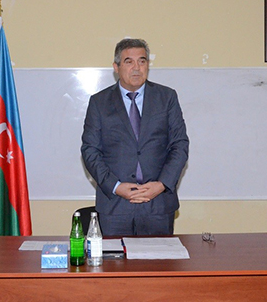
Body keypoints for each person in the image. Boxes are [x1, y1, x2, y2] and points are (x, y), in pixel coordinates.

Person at [81, 38, 189, 236]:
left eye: (142, 61)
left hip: (158, 204)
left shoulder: (167, 97)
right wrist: (115, 187)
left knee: (158, 257)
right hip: (115, 206)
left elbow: (179, 145)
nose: (137, 68)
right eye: (129, 62)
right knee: (115, 257)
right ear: (116, 67)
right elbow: (90, 150)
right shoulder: (99, 102)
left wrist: (162, 185)